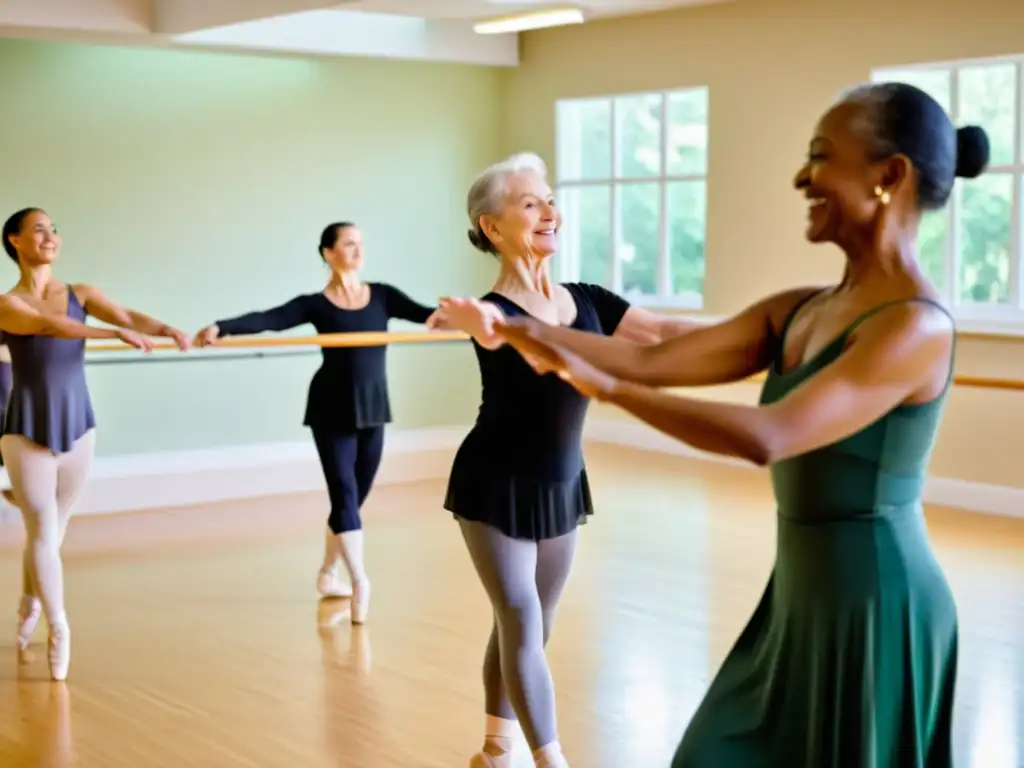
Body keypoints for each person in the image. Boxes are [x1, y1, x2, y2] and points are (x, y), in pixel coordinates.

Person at [489, 84, 988, 767]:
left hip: (877, 607)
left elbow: (769, 435)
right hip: (800, 596)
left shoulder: (914, 327)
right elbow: (659, 360)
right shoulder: (800, 309)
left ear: (889, 175)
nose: (800, 178)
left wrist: (601, 387)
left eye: (821, 157)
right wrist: (515, 329)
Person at [436, 152, 697, 768]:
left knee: (530, 623)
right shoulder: (493, 312)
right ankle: (552, 761)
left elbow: (661, 332)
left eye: (550, 200)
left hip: (560, 481)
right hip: (494, 483)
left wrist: (765, 334)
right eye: (530, 203)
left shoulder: (589, 298)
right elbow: (501, 335)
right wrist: (474, 322)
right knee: (521, 616)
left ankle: (496, 747)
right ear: (492, 227)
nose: (550, 212)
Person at [194, 221, 441, 624]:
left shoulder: (383, 296)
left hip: (373, 407)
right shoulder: (316, 303)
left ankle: (328, 573)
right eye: (348, 243)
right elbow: (270, 318)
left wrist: (478, 313)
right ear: (328, 253)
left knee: (354, 499)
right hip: (331, 408)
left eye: (361, 243)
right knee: (344, 494)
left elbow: (427, 315)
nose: (358, 250)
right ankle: (360, 580)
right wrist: (223, 327)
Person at [1, 207, 188, 681]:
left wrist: (163, 328)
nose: (50, 236)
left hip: (79, 423)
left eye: (54, 229)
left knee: (51, 531)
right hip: (25, 427)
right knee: (43, 528)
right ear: (14, 241)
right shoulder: (7, 303)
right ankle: (59, 628)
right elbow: (49, 328)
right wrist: (111, 333)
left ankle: (29, 600)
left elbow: (127, 315)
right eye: (38, 229)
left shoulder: (80, 293)